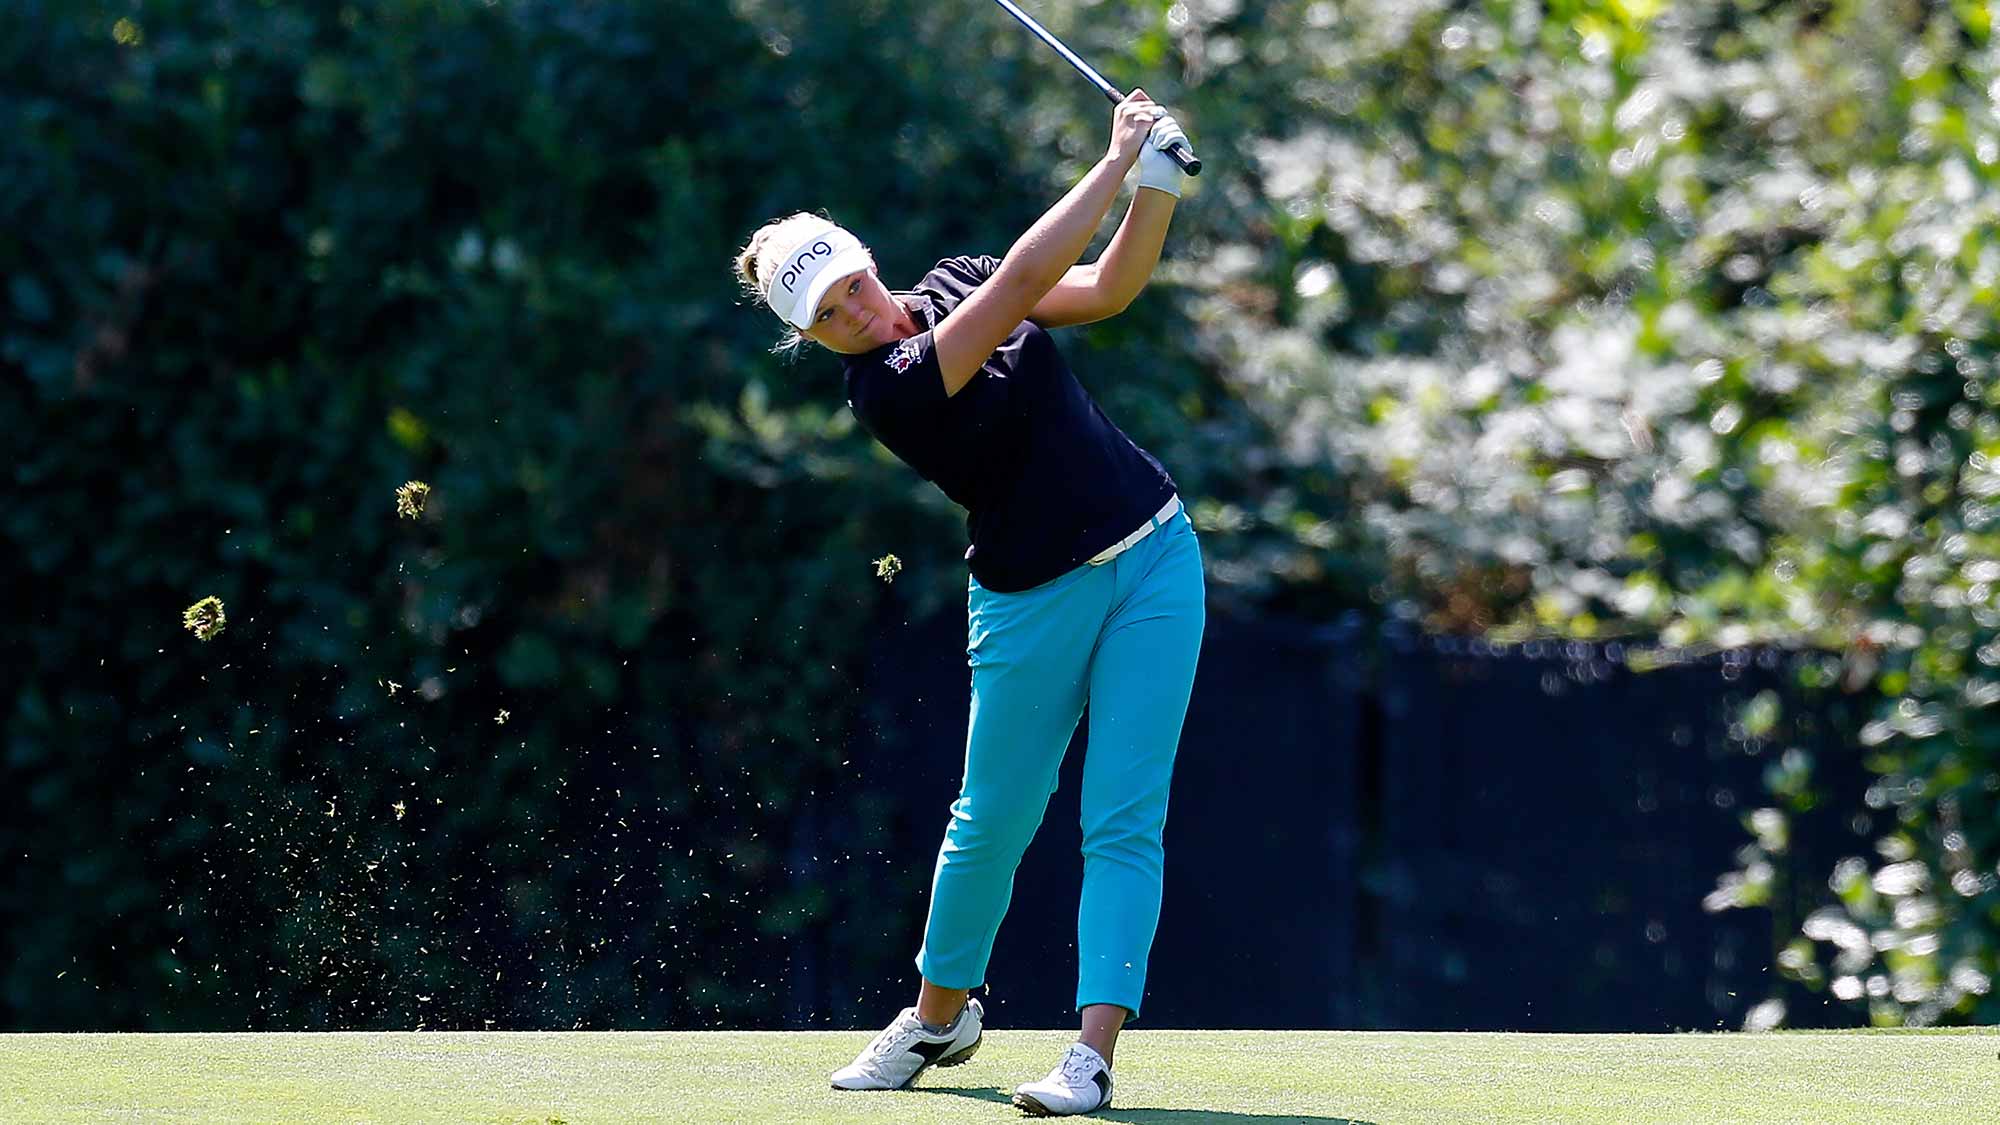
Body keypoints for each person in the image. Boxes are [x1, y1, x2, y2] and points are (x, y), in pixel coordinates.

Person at [732, 91, 1204, 1118]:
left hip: (1155, 558)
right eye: (824, 316)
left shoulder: (955, 275)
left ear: (863, 259)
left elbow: (1104, 288)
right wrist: (1115, 157)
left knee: (1121, 819)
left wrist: (1154, 189)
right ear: (809, 336)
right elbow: (1031, 275)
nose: (853, 311)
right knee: (988, 822)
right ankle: (938, 1017)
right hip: (1028, 601)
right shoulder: (886, 387)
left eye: (848, 285)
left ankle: (1089, 1059)